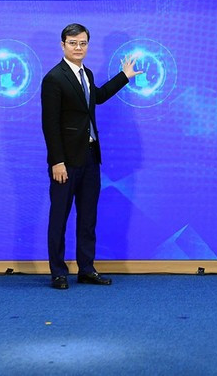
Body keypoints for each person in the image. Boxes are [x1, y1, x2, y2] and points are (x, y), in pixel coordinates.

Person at [41, 23, 141, 290]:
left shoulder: (87, 73)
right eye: (73, 43)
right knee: (59, 218)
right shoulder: (53, 78)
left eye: (83, 43)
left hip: (90, 157)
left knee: (88, 218)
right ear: (63, 45)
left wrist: (124, 76)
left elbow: (96, 99)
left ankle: (86, 269)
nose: (78, 48)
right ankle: (58, 273)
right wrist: (57, 161)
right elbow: (49, 124)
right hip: (66, 162)